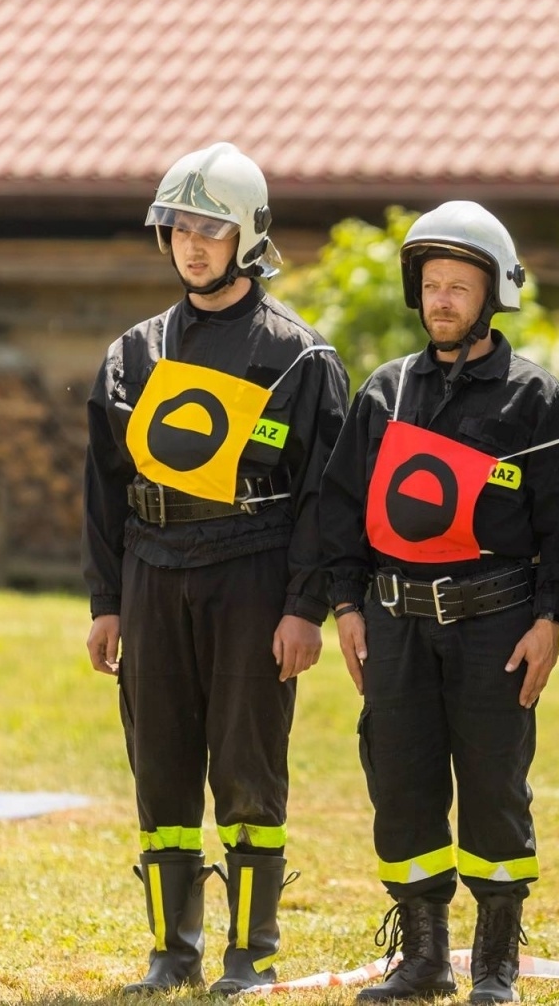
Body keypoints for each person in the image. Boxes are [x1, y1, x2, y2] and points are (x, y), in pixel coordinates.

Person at [83, 142, 349, 996]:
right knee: (159, 760)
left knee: (246, 762)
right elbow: (102, 491)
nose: (194, 244)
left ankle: (251, 951)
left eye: (213, 228)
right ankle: (172, 950)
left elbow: (325, 500)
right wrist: (106, 602)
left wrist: (305, 607)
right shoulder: (133, 354)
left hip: (252, 570)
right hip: (151, 570)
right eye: (181, 226)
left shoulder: (301, 360)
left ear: (250, 237)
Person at [319, 201, 559, 1003]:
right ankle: (424, 956)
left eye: (458, 287)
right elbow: (342, 509)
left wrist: (550, 623)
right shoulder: (385, 393)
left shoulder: (535, 401)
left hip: (497, 626)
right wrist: (347, 606)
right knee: (400, 781)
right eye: (431, 286)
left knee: (494, 785)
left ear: (492, 293)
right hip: (396, 624)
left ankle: (497, 960)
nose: (441, 300)